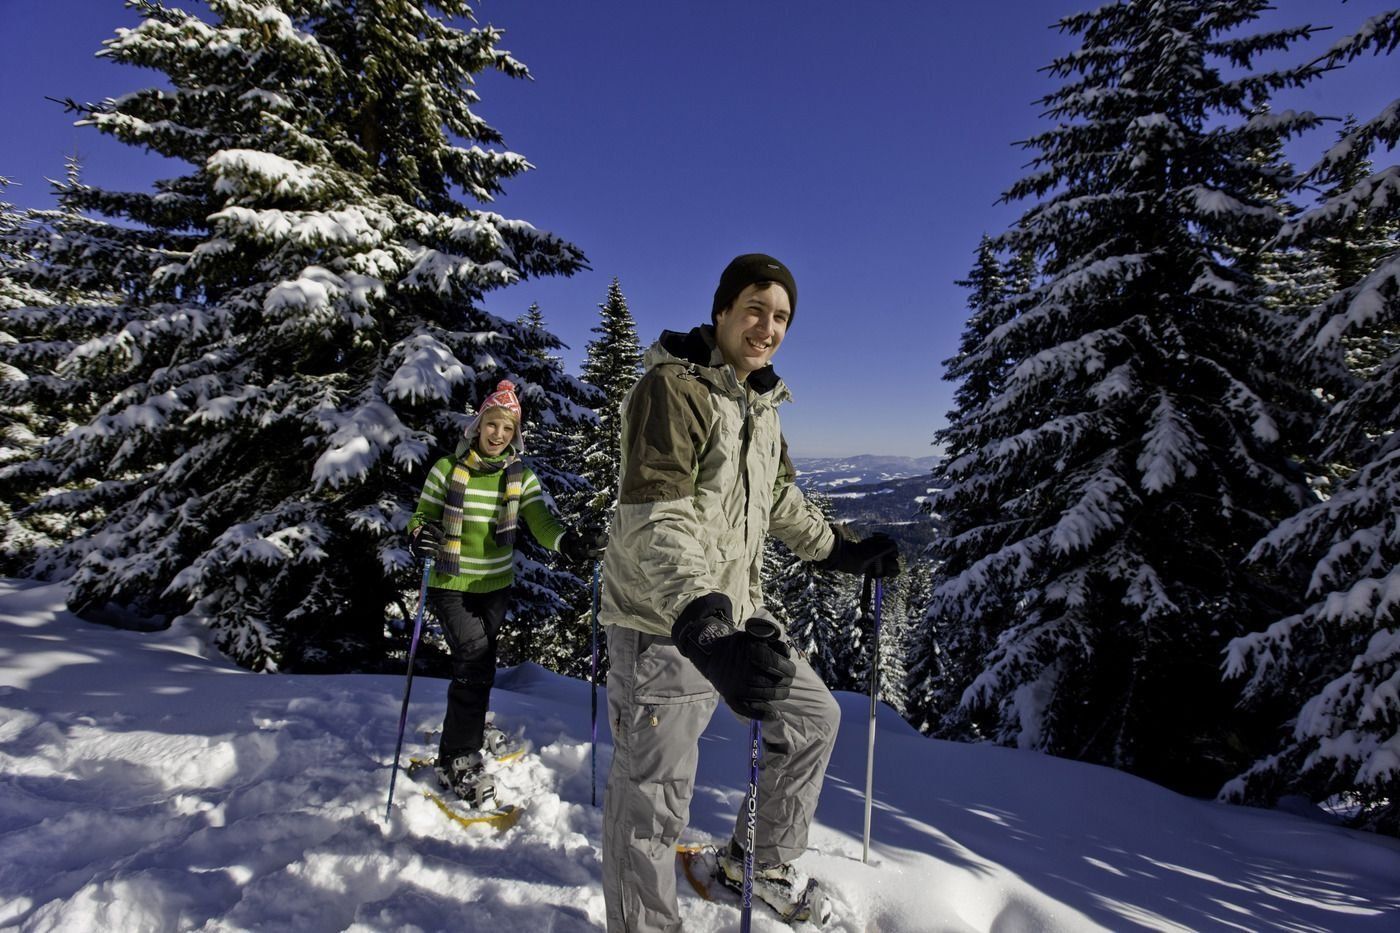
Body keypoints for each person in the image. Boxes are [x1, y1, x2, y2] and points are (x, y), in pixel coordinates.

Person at [599, 254, 901, 931]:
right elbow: (657, 516)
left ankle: (754, 862)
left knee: (812, 718)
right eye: (755, 310)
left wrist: (841, 550)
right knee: (651, 808)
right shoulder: (673, 390)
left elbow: (779, 499)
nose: (767, 326)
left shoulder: (758, 402)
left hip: (731, 622)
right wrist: (705, 627)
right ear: (722, 312)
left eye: (781, 316)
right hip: (664, 626)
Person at [408, 378, 602, 807]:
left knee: (479, 663)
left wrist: (568, 543)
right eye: (492, 425)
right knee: (474, 659)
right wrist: (421, 534)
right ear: (477, 426)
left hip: (495, 584)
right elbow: (421, 516)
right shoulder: (447, 470)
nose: (498, 435)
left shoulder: (520, 476)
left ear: (516, 435)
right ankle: (457, 755)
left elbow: (541, 521)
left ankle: (470, 727)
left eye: (507, 429)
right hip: (450, 582)